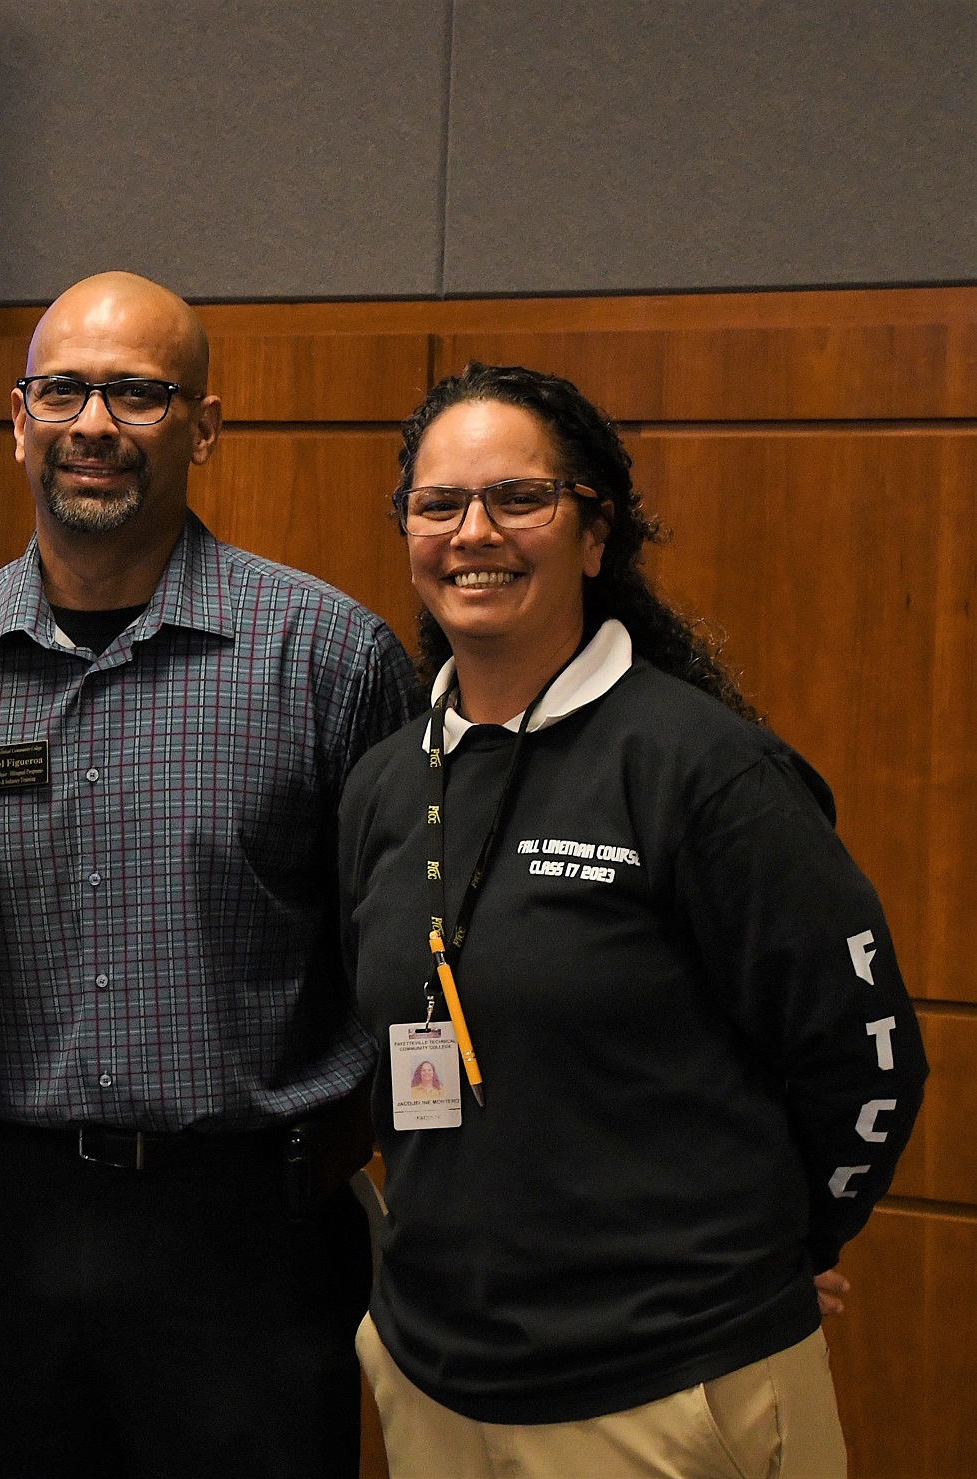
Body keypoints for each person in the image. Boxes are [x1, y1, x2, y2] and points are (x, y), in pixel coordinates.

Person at [338, 363, 927, 1479]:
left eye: (519, 499)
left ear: (596, 535)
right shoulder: (382, 784)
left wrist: (791, 1248)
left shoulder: (703, 772)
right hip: (435, 1383)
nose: (474, 534)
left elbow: (867, 1061)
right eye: (438, 504)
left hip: (664, 1391)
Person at [0, 271, 419, 1478]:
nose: (94, 423)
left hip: (248, 1230)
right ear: (18, 417)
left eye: (138, 393)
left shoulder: (328, 655)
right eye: (65, 390)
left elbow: (406, 945)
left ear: (202, 426)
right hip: (7, 1217)